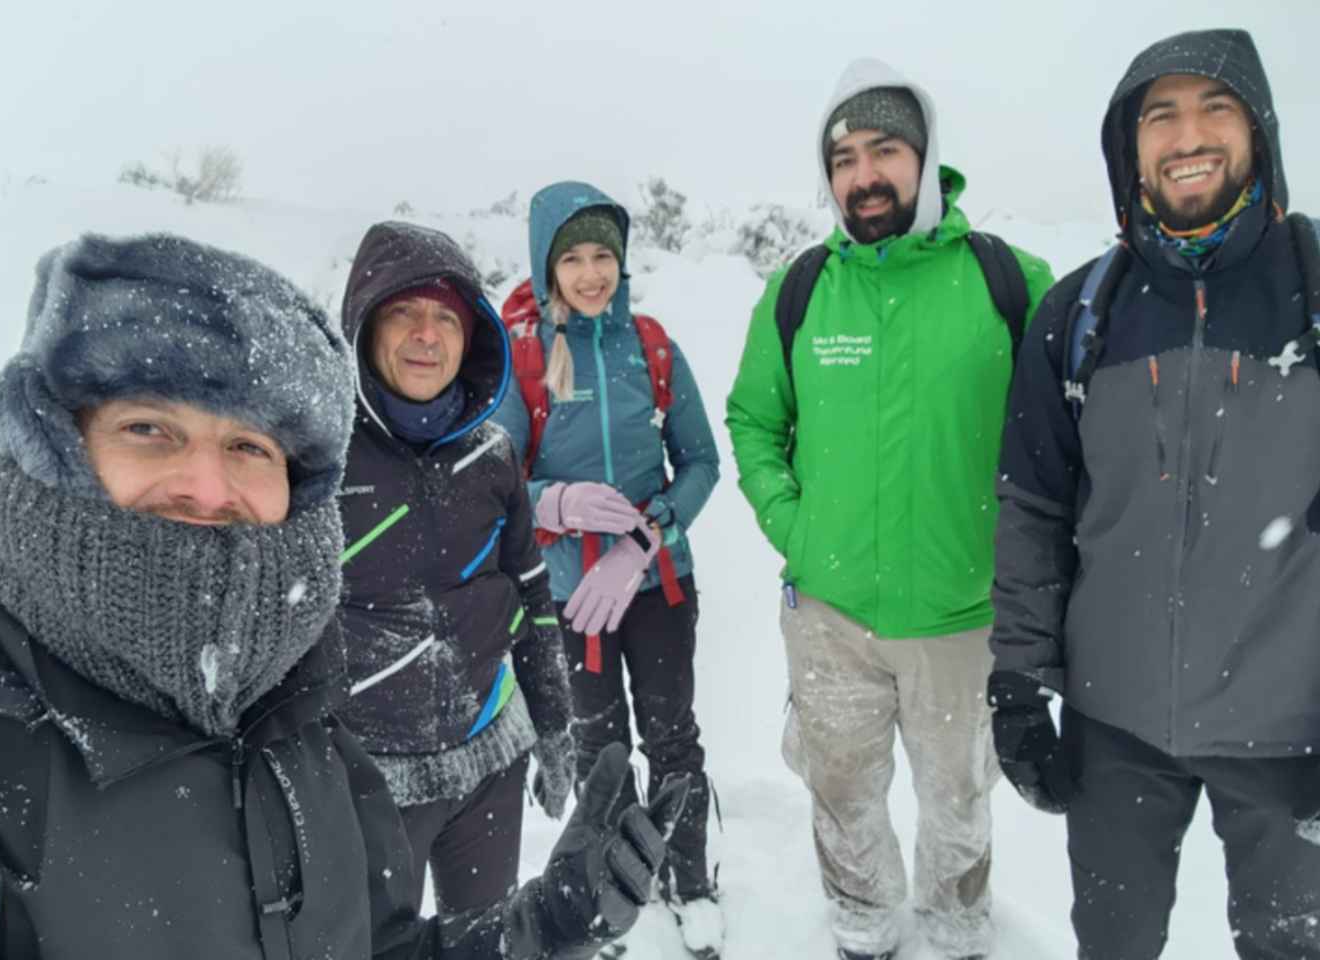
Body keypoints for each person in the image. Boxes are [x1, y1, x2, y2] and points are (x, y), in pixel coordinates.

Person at [0, 232, 691, 959]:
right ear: (52, 439)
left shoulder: (291, 720)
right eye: (148, 429)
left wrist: (538, 929)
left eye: (245, 445)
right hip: (391, 763)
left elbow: (373, 947)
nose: (207, 485)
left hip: (484, 760)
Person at [989, 28, 1320, 959]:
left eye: (1216, 107)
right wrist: (1018, 682)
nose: (1189, 136)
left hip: (1291, 737)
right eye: (1161, 115)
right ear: (1128, 147)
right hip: (1117, 729)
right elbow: (1033, 510)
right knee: (1114, 945)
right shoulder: (1080, 314)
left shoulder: (1314, 283)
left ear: (1259, 130)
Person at [726, 58, 1053, 960]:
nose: (863, 174)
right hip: (830, 621)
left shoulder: (1008, 282)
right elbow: (755, 421)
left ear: (926, 157)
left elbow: (1061, 445)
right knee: (841, 793)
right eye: (844, 158)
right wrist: (798, 529)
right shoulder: (801, 291)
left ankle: (952, 936)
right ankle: (863, 929)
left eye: (884, 149)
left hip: (963, 620)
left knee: (958, 806)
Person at [493, 180, 723, 958]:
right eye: (574, 258)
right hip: (567, 597)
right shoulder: (520, 353)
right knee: (599, 748)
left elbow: (700, 461)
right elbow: (491, 482)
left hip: (656, 583)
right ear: (547, 265)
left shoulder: (651, 345)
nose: (592, 273)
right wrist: (553, 504)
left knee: (672, 735)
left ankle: (688, 878)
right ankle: (604, 890)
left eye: (605, 257)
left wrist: (645, 536)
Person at [335, 220, 575, 914]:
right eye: (403, 311)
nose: (426, 334)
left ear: (471, 339)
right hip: (368, 781)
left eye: (446, 317)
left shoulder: (492, 454)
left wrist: (554, 722)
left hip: (488, 761)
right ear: (364, 326)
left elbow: (532, 595)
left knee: (486, 936)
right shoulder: (316, 462)